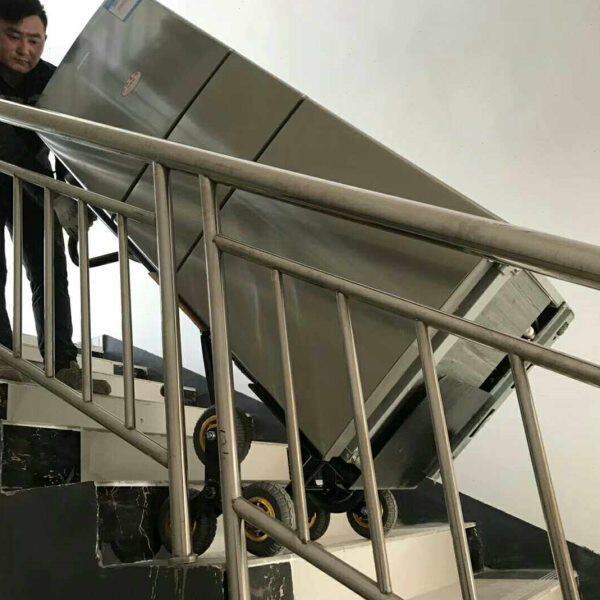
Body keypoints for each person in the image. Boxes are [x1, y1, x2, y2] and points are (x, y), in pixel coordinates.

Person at [0, 0, 110, 395]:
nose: (25, 49)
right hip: (24, 177)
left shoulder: (51, 80)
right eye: (14, 37)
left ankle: (63, 363)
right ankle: (2, 352)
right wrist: (53, 195)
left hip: (36, 181)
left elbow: (69, 143)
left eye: (35, 40)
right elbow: (6, 145)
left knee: (50, 269)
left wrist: (71, 193)